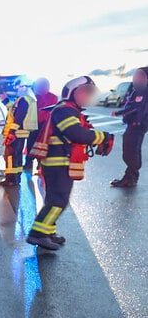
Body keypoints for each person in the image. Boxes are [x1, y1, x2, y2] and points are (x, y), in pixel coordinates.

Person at [26, 76, 114, 250]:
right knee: (58, 200)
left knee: (54, 198)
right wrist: (104, 137)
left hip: (59, 163)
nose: (89, 96)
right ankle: (37, 234)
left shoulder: (70, 110)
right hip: (58, 163)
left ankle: (48, 231)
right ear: (72, 93)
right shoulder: (65, 110)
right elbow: (77, 134)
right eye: (85, 92)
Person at [109, 66, 148, 187]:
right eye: (136, 75)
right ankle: (131, 177)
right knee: (131, 151)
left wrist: (119, 112)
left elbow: (136, 108)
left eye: (140, 75)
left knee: (130, 152)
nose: (136, 78)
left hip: (137, 125)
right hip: (133, 125)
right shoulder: (136, 91)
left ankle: (130, 178)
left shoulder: (144, 92)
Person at [0, 77, 37, 187]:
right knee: (17, 156)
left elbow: (18, 117)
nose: (16, 89)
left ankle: (10, 179)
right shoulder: (26, 99)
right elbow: (13, 110)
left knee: (10, 156)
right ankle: (16, 178)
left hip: (16, 133)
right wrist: (4, 99)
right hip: (21, 133)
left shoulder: (24, 100)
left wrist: (11, 132)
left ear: (23, 87)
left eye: (17, 87)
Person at [25, 77, 59, 174]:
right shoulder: (33, 98)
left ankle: (41, 163)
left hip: (46, 125)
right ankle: (29, 163)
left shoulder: (53, 97)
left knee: (43, 145)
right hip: (34, 125)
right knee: (30, 144)